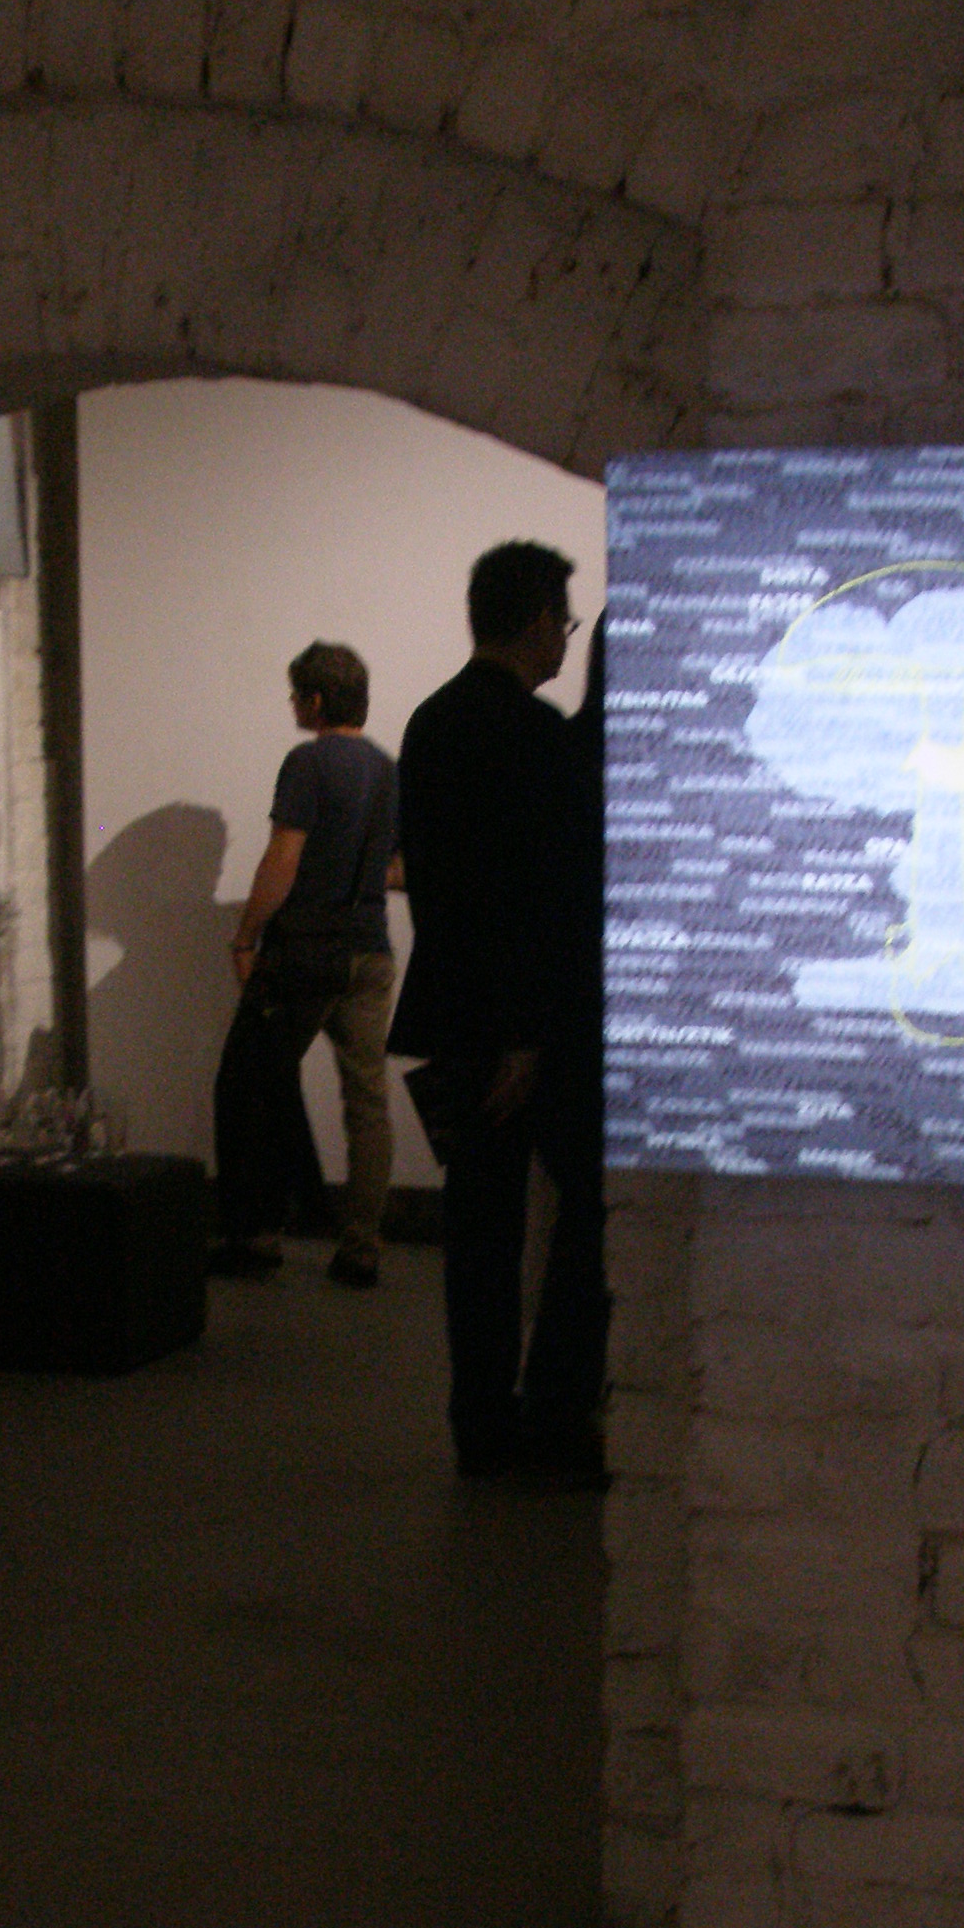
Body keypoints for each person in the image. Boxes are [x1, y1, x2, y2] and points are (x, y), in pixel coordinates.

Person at [389, 540, 607, 1480]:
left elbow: (449, 888)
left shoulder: (432, 719)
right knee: (582, 1207)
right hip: (523, 1024)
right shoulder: (531, 732)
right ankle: (549, 1410)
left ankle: (482, 1423)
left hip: (456, 1007)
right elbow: (532, 894)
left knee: (478, 1229)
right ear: (537, 620)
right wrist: (524, 1031)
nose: (566, 638)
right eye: (564, 620)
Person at [210, 639, 401, 1289]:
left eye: (296, 693)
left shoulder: (308, 762)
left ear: (316, 701)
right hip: (370, 951)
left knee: (246, 1083)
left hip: (307, 954)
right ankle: (361, 1248)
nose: (292, 703)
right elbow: (398, 869)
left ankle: (256, 1236)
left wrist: (245, 937)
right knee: (367, 1101)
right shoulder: (388, 770)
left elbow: (282, 860)